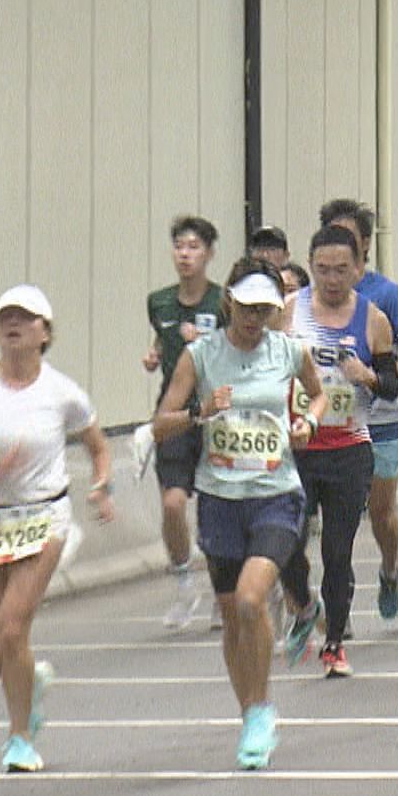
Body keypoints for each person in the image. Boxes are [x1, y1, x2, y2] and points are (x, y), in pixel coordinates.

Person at [154, 259, 327, 767]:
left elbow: (318, 397)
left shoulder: (290, 351)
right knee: (232, 617)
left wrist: (308, 425)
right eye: (247, 309)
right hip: (220, 497)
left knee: (253, 599)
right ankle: (250, 712)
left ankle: (264, 708)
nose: (254, 319)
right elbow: (161, 423)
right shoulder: (200, 356)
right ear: (229, 303)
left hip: (275, 492)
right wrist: (200, 413)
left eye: (265, 311)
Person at [0, 285, 115, 774]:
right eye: (4, 319)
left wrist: (101, 486)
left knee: (11, 626)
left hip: (43, 517)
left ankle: (20, 737)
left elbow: (99, 447)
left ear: (45, 332)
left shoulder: (63, 392)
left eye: (24, 319)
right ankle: (28, 678)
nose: (12, 326)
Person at [281, 225, 398, 678]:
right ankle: (306, 605)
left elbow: (390, 385)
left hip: (350, 449)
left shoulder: (373, 319)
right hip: (300, 446)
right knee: (287, 542)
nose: (331, 279)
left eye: (341, 270)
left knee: (338, 550)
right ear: (311, 266)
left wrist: (366, 376)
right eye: (323, 269)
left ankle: (334, 643)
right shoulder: (290, 313)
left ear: (358, 269)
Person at [319, 199, 398, 626]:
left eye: (348, 237)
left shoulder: (387, 295)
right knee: (338, 518)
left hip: (381, 420)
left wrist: (377, 379)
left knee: (380, 513)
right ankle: (338, 604)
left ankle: (390, 567)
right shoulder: (309, 302)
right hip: (329, 424)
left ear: (365, 244)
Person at [142, 216, 224, 631]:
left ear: (209, 253)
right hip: (173, 413)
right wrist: (155, 354)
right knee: (173, 502)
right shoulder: (159, 302)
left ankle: (221, 593)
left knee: (213, 509)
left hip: (215, 411)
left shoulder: (223, 302)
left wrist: (204, 345)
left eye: (194, 247)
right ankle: (183, 581)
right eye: (179, 247)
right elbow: (162, 335)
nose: (185, 254)